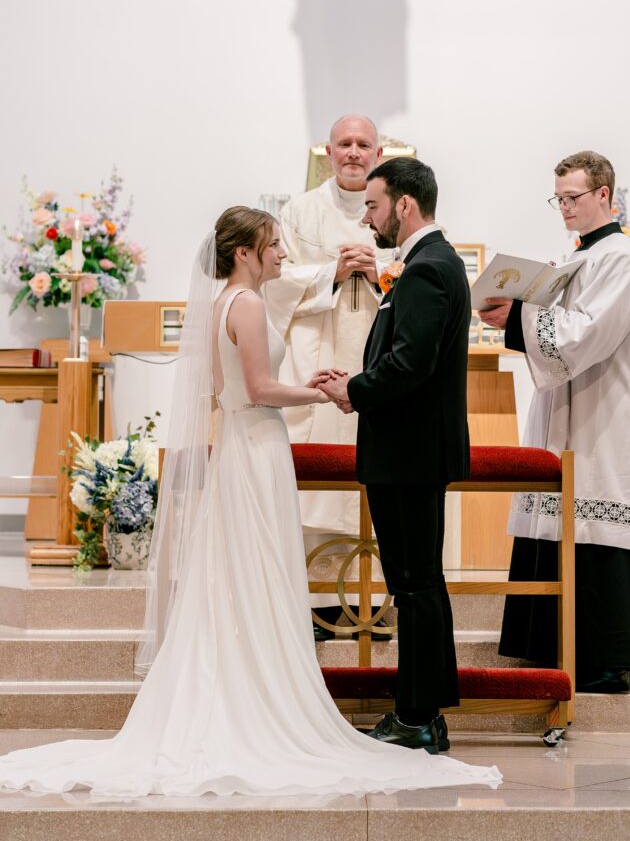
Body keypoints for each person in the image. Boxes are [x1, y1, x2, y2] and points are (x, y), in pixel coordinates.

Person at [0, 206, 501, 795]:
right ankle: (260, 703)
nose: (282, 255)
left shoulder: (221, 306)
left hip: (237, 445)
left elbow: (223, 389)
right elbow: (262, 389)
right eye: (273, 245)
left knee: (236, 575)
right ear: (244, 252)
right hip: (259, 445)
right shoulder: (251, 304)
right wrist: (323, 393)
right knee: (259, 570)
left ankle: (231, 691)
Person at [478, 151, 630, 692]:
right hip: (570, 409)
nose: (563, 207)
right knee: (560, 521)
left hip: (604, 418)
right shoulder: (583, 255)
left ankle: (602, 660)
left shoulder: (622, 259)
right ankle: (548, 646)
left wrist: (516, 316)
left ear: (604, 195)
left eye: (573, 198)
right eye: (558, 198)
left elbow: (583, 334)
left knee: (596, 526)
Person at [322, 158, 471, 753]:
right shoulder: (429, 265)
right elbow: (407, 356)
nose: (368, 216)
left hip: (408, 454)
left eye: (374, 205)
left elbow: (411, 364)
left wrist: (352, 391)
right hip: (410, 450)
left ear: (405, 205)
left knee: (414, 587)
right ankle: (421, 714)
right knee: (417, 585)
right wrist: (357, 377)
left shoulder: (427, 270)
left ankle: (417, 716)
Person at [263, 114, 393, 638]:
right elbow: (273, 279)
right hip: (320, 358)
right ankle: (320, 607)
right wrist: (330, 274)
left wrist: (378, 265)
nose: (355, 152)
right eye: (345, 144)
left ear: (379, 152)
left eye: (364, 144)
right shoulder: (301, 211)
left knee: (377, 481)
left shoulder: (393, 204)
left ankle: (376, 607)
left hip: (379, 357)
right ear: (329, 151)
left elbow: (420, 266)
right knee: (319, 488)